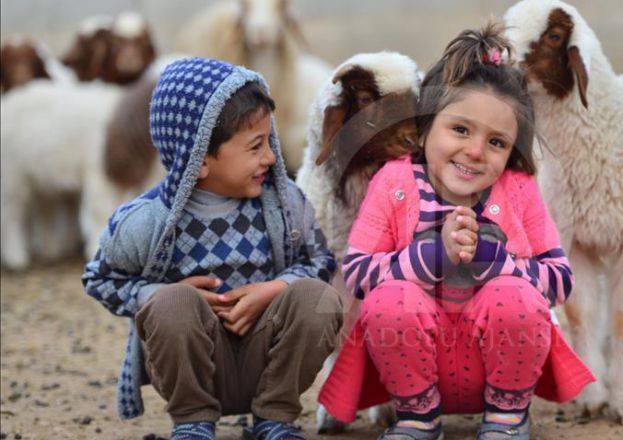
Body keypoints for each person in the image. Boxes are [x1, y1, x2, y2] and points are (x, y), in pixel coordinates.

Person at [318, 23, 594, 440]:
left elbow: (559, 280)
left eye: (497, 142)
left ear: (513, 150)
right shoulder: (394, 183)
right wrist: (433, 257)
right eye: (460, 130)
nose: (475, 151)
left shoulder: (517, 189)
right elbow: (357, 273)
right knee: (389, 298)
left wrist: (496, 263)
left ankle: (507, 416)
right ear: (426, 125)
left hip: (501, 367)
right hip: (411, 368)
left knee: (516, 295)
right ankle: (416, 418)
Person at [82, 57, 342, 440]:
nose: (271, 157)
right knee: (172, 304)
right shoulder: (144, 221)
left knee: (318, 297)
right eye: (256, 147)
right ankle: (192, 423)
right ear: (200, 159)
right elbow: (99, 278)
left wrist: (277, 288)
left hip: (267, 357)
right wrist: (160, 294)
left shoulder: (286, 203)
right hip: (190, 367)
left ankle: (275, 417)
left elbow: (321, 261)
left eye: (269, 142)